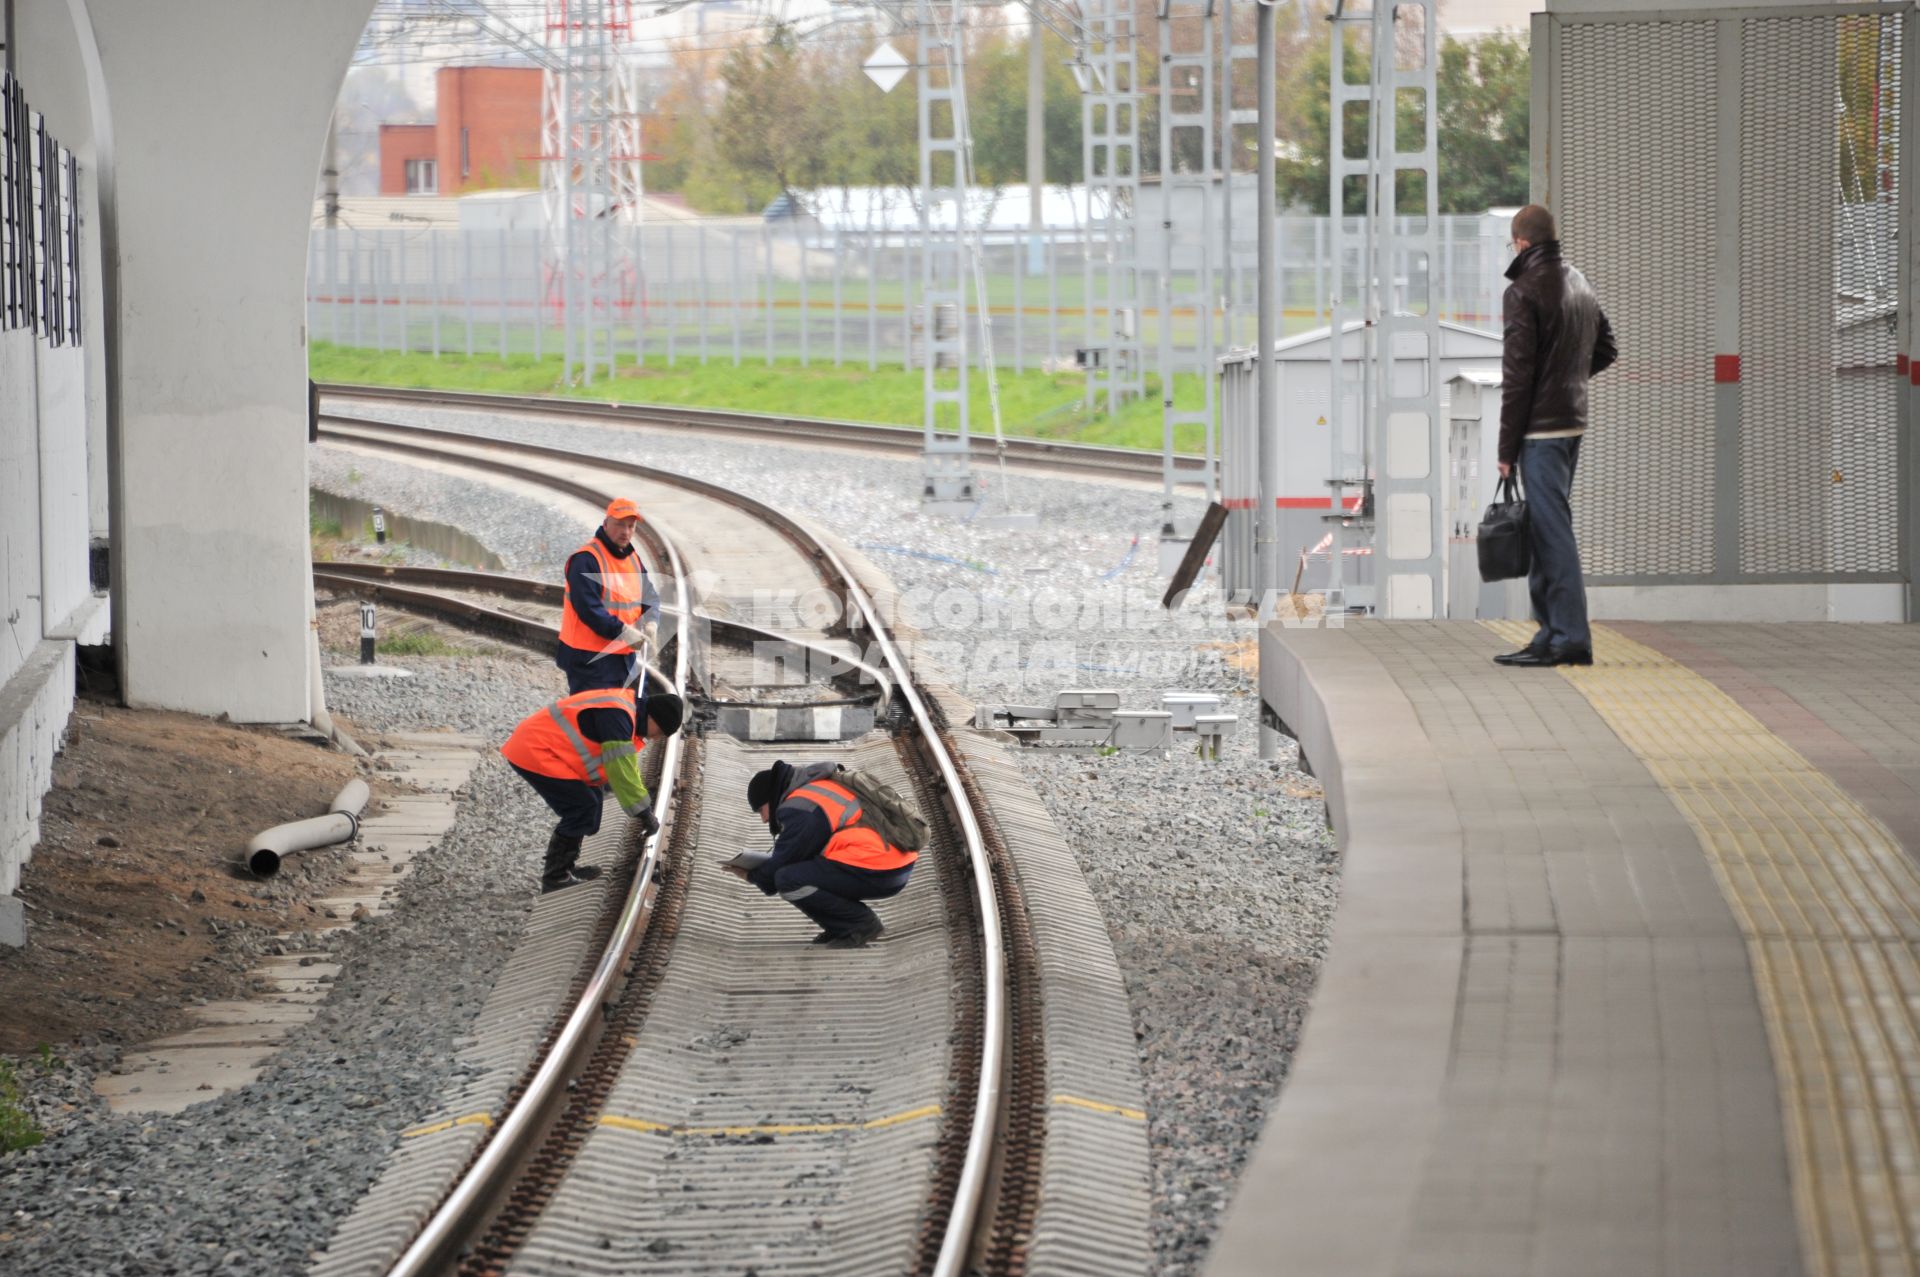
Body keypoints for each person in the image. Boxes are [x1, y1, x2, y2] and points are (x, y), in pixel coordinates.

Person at [1493, 203, 1616, 669]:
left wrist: (1506, 450)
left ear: (1521, 243)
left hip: (1540, 431)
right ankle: (1548, 632)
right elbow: (1606, 348)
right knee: (1545, 529)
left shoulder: (1523, 291)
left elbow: (1517, 377)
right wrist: (1567, 380)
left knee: (1552, 532)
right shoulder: (1578, 280)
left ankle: (1569, 637)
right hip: (1571, 422)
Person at [501, 687, 684, 892]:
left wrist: (641, 807)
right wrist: (644, 813)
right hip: (534, 750)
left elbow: (626, 767)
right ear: (654, 717)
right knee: (581, 808)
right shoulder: (618, 716)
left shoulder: (626, 711)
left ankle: (566, 868)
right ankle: (556, 877)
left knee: (591, 803)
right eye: (659, 732)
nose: (655, 738)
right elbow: (620, 769)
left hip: (543, 748)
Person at [728, 760, 917, 948]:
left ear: (770, 798)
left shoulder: (800, 807)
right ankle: (841, 927)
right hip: (896, 864)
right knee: (808, 869)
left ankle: (860, 924)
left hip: (879, 868)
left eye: (761, 810)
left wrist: (751, 875)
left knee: (788, 879)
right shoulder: (817, 788)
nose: (764, 819)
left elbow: (784, 861)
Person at [558, 497, 661, 695]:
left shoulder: (632, 558)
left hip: (622, 656)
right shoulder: (586, 559)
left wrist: (652, 622)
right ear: (605, 524)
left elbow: (649, 597)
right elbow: (589, 609)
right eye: (619, 525)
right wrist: (623, 631)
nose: (626, 531)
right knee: (595, 719)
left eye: (631, 526)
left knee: (619, 717)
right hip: (588, 659)